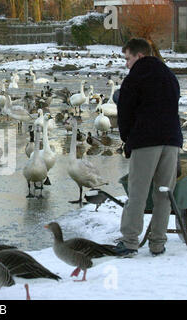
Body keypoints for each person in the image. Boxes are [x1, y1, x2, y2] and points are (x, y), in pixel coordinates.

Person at [115, 38, 182, 257]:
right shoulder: (169, 75)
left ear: (140, 56)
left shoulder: (135, 78)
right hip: (171, 141)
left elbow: (124, 113)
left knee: (138, 193)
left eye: (128, 58)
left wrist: (128, 140)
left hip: (146, 141)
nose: (126, 64)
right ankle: (158, 243)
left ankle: (129, 242)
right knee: (164, 193)